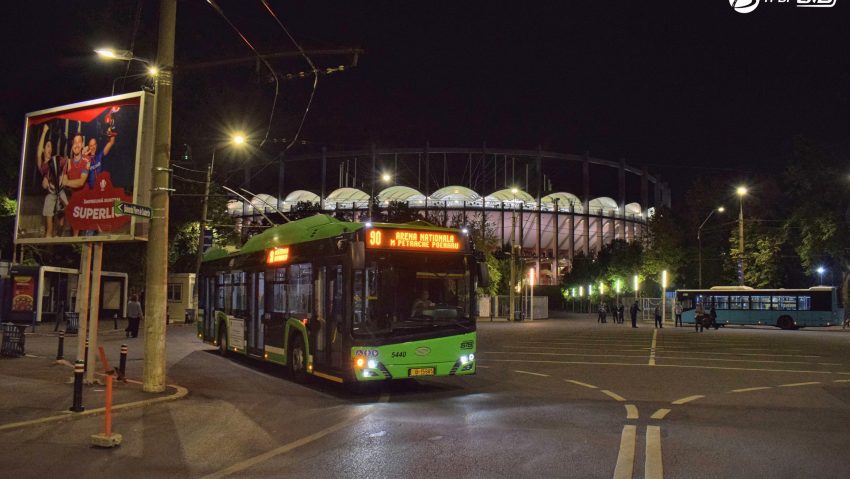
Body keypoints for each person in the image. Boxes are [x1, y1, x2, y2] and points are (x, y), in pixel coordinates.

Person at [36, 125, 67, 237]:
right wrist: (44, 132)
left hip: (60, 192)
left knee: (64, 217)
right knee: (49, 229)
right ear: (44, 149)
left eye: (51, 147)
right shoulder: (43, 165)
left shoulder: (56, 160)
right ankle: (49, 236)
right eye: (48, 146)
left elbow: (67, 162)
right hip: (50, 193)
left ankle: (58, 235)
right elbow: (38, 153)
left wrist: (63, 175)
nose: (50, 148)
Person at [60, 132, 90, 236]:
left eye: (79, 142)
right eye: (74, 142)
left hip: (87, 205)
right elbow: (62, 183)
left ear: (82, 145)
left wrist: (67, 182)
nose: (76, 145)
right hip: (74, 205)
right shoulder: (68, 163)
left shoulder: (86, 160)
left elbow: (81, 182)